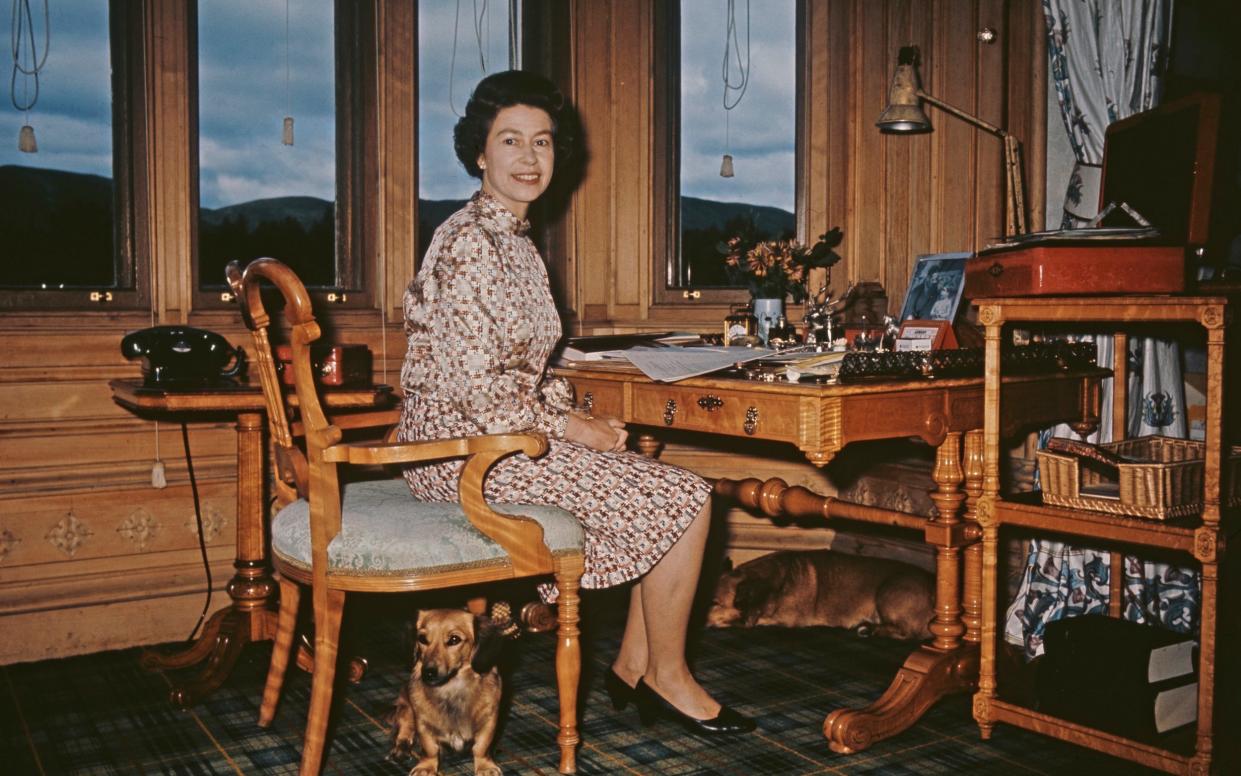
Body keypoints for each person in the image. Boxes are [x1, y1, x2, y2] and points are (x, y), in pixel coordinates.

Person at [395, 70, 754, 737]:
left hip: (494, 433)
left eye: (543, 142)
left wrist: (574, 416)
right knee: (688, 496)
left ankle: (632, 666)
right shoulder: (472, 243)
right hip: (461, 452)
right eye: (510, 141)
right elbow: (479, 389)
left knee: (668, 487)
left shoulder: (514, 242)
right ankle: (666, 678)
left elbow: (523, 368)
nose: (530, 159)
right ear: (479, 152)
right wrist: (569, 427)